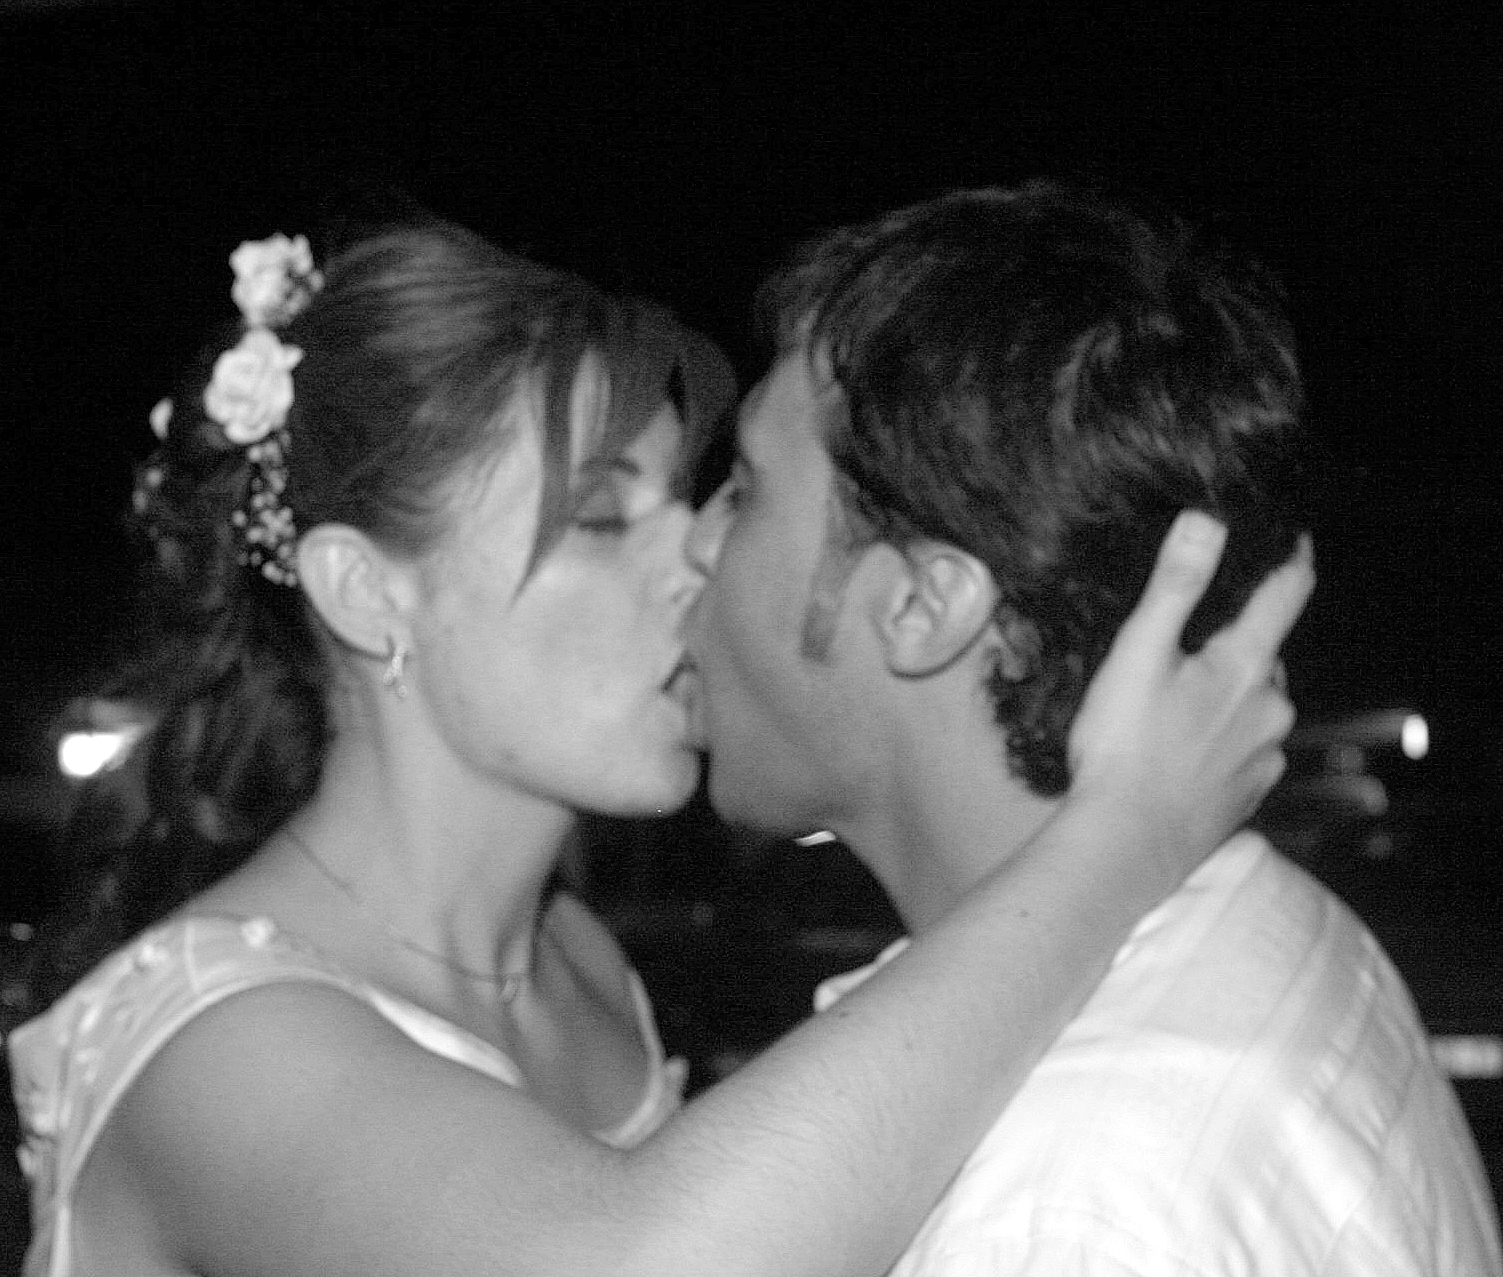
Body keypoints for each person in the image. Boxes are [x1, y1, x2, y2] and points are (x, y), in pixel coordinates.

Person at [6, 211, 1306, 1277]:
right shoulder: (223, 1044)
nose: (696, 557)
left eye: (689, 495)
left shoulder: (576, 960)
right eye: (598, 518)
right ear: (366, 591)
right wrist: (1120, 836)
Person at [685, 180, 1502, 1275]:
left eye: (743, 489)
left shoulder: (1052, 1212)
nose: (692, 542)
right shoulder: (1279, 928)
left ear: (922, 605)